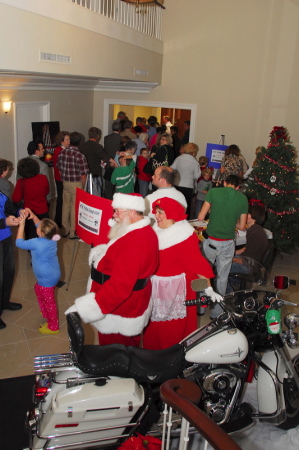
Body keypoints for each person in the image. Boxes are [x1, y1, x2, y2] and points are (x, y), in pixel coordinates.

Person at [65, 193, 159, 347]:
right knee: (129, 349)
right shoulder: (142, 231)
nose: (114, 215)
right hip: (134, 304)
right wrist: (104, 252)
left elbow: (119, 288)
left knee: (114, 355)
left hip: (119, 311)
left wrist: (85, 308)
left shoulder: (134, 244)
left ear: (132, 212)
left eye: (117, 211)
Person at [143, 197, 221, 350]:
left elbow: (197, 266)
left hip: (174, 293)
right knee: (153, 329)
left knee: (170, 332)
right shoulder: (156, 231)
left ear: (171, 213)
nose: (156, 216)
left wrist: (209, 289)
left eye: (160, 212)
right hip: (154, 290)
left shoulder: (184, 236)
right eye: (156, 212)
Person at [198, 174, 248, 318]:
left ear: (224, 183)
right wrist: (233, 223)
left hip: (211, 242)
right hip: (227, 243)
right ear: (238, 187)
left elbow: (201, 217)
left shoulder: (214, 192)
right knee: (222, 278)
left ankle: (201, 307)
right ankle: (217, 313)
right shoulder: (242, 198)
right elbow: (242, 227)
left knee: (204, 274)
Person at [16, 212, 61, 335]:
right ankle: (45, 311)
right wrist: (32, 214)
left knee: (50, 302)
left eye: (39, 227)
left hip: (47, 278)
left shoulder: (37, 243)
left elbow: (19, 243)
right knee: (37, 289)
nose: (38, 225)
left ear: (41, 233)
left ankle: (53, 326)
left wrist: (22, 225)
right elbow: (39, 223)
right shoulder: (52, 237)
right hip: (52, 274)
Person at [227, 204, 269, 293]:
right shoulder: (254, 229)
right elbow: (246, 249)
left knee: (221, 267)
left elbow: (247, 260)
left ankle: (228, 295)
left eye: (246, 213)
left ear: (251, 217)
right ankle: (235, 284)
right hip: (250, 262)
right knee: (224, 261)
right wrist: (232, 253)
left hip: (249, 266)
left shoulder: (255, 233)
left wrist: (230, 259)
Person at [0, 193, 27, 329]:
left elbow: (6, 204)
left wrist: (18, 210)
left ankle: (4, 302)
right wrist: (5, 222)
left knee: (9, 271)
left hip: (5, 237)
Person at [56, 131, 89, 239]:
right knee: (75, 207)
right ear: (79, 142)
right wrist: (83, 187)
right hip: (76, 183)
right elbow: (83, 175)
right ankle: (73, 232)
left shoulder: (62, 153)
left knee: (66, 206)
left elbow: (59, 168)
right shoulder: (80, 155)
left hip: (65, 182)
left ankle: (65, 230)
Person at [12, 157, 50, 240]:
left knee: (31, 235)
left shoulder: (21, 182)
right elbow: (47, 192)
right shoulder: (43, 178)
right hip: (43, 209)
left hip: (28, 212)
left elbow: (16, 199)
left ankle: (32, 251)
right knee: (44, 233)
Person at [171, 142, 201, 218]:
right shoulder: (195, 162)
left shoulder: (179, 158)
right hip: (188, 186)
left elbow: (172, 168)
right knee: (186, 206)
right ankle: (184, 221)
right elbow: (197, 175)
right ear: (194, 152)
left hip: (177, 184)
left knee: (176, 204)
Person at [80, 127, 110, 196]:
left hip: (85, 174)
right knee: (96, 195)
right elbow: (104, 157)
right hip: (95, 174)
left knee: (86, 195)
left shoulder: (83, 146)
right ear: (98, 136)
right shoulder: (98, 146)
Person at [53, 131, 70, 228]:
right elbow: (59, 166)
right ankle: (58, 220)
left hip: (64, 178)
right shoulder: (58, 150)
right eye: (67, 140)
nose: (69, 141)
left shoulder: (65, 150)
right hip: (60, 178)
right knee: (61, 199)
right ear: (61, 141)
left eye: (69, 139)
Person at [104, 121, 122, 199]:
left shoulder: (106, 138)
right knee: (118, 184)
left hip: (109, 162)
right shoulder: (121, 139)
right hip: (119, 164)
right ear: (120, 129)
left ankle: (107, 200)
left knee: (108, 185)